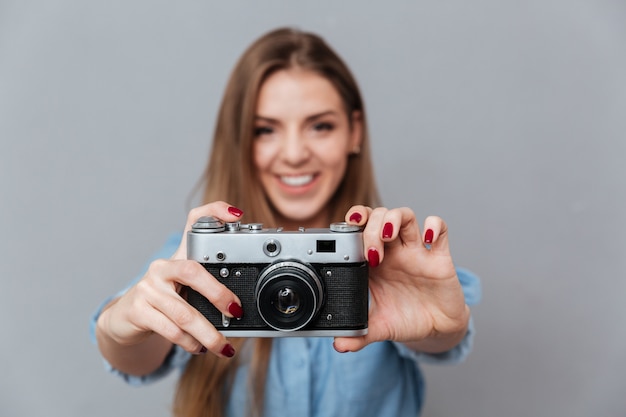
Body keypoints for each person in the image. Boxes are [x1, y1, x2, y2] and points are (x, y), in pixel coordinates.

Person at [91, 27, 481, 417]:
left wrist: (443, 324)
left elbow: (438, 335)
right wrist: (119, 326)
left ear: (354, 132)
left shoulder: (390, 260)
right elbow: (137, 356)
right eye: (265, 130)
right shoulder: (201, 257)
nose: (294, 154)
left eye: (320, 126)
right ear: (240, 140)